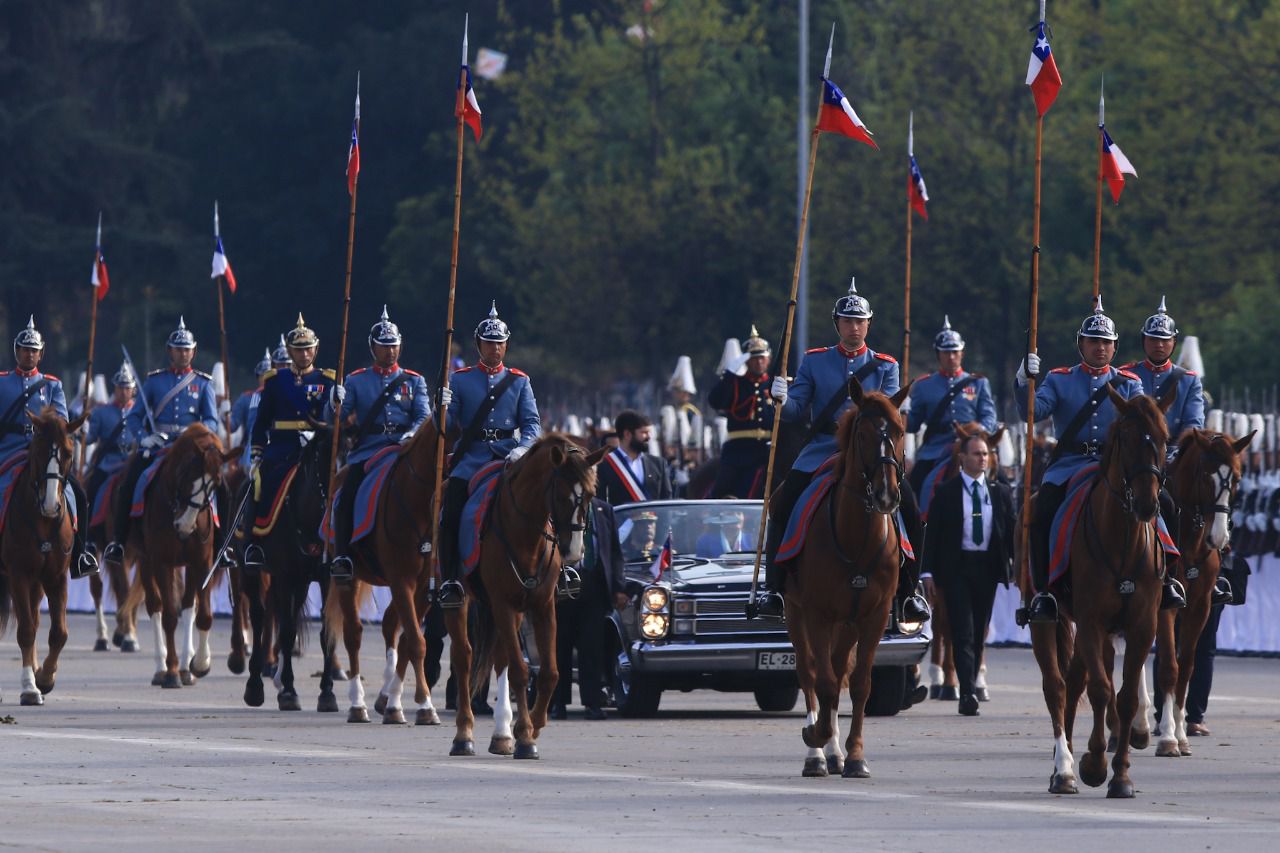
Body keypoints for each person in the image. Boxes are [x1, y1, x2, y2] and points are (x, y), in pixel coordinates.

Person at [759, 279, 929, 624]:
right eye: (848, 322)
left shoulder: (885, 366)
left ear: (869, 324)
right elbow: (796, 411)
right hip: (822, 449)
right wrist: (780, 397)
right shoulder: (814, 361)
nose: (854, 328)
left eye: (860, 322)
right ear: (837, 324)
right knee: (784, 501)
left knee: (909, 506)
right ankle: (774, 587)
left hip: (870, 453)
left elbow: (891, 412)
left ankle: (909, 592)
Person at [1015, 297, 1182, 624]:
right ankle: (1045, 592)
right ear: (1081, 344)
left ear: (1115, 348)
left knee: (1164, 503)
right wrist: (1024, 381)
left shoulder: (1130, 384)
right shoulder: (1060, 379)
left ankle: (1168, 579)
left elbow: (1143, 422)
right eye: (1093, 342)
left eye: (1106, 343)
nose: (1100, 348)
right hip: (1070, 466)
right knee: (1041, 509)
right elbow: (1030, 412)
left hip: (1114, 465)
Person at [1122, 297, 1228, 605]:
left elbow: (1192, 424)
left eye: (1164, 340)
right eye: (1153, 339)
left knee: (1211, 497)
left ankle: (1211, 566)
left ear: (1173, 343)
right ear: (1144, 341)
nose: (1158, 345)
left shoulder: (1188, 381)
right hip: (1136, 460)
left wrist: (1170, 455)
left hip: (1172, 458)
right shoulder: (1126, 374)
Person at [436, 301, 541, 608]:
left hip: (509, 456)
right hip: (471, 460)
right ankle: (451, 579)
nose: (495, 349)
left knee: (543, 501)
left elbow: (532, 423)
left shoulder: (520, 380)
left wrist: (523, 447)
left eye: (500, 343)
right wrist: (440, 407)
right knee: (450, 512)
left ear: (506, 345)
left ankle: (557, 570)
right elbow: (447, 426)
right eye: (489, 343)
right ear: (478, 344)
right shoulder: (461, 378)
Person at [328, 306, 431, 582]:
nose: (390, 351)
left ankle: (434, 552)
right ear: (373, 348)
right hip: (368, 451)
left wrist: (412, 435)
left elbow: (423, 416)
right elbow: (337, 418)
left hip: (403, 450)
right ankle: (342, 556)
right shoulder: (356, 380)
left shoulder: (414, 381)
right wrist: (334, 401)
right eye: (384, 346)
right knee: (344, 496)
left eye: (394, 346)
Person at [105, 317, 218, 566]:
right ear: (170, 351)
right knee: (129, 482)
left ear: (194, 351)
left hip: (192, 450)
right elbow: (135, 417)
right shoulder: (155, 381)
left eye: (187, 349)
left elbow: (212, 421)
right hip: (160, 447)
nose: (183, 354)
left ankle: (223, 546)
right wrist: (144, 439)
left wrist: (197, 435)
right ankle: (119, 541)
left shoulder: (203, 383)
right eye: (178, 350)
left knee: (220, 486)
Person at [920, 434, 1015, 716]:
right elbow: (933, 534)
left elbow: (1008, 531)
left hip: (986, 568)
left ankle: (971, 680)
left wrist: (1016, 566)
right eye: (976, 454)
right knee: (962, 630)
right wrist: (927, 571)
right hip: (957, 568)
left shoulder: (999, 492)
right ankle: (968, 693)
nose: (982, 459)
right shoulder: (947, 492)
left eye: (985, 454)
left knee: (978, 633)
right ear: (962, 457)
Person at [0, 317, 95, 577]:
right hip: (8, 451)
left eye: (33, 350)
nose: (29, 354)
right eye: (24, 349)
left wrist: (70, 427)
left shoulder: (52, 385)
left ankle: (80, 554)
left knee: (78, 494)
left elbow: (62, 419)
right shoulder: (1, 381)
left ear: (41, 354)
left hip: (44, 453)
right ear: (16, 351)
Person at [241, 315, 336, 569]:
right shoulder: (275, 381)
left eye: (308, 349)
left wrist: (336, 406)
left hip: (315, 447)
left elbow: (334, 420)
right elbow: (261, 423)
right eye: (299, 350)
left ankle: (341, 545)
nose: (304, 355)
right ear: (291, 351)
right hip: (283, 449)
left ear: (316, 350)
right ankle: (254, 543)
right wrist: (257, 455)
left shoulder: (327, 380)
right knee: (260, 484)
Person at [551, 496, 628, 720]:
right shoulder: (559, 505)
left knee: (592, 649)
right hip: (562, 586)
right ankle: (558, 703)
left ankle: (592, 703)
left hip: (593, 586)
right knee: (560, 649)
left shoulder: (604, 510)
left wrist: (619, 587)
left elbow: (614, 552)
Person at [906, 317, 997, 494]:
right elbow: (912, 424)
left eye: (955, 352)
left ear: (962, 353)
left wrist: (980, 429)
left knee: (1000, 482)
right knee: (914, 484)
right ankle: (919, 521)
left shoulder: (978, 383)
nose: (951, 356)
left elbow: (989, 416)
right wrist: (900, 412)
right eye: (946, 352)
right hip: (935, 449)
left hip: (972, 444)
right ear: (938, 354)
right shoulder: (923, 386)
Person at [707, 326, 774, 499]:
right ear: (746, 361)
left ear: (769, 359)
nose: (759, 362)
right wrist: (729, 375)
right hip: (739, 451)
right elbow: (715, 401)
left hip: (768, 450)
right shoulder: (735, 384)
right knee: (722, 488)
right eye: (754, 358)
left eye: (762, 358)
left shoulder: (776, 384)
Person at [84, 362, 138, 554]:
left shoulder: (140, 411)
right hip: (108, 462)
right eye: (120, 388)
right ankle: (88, 537)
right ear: (114, 388)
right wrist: (83, 431)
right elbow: (90, 439)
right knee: (91, 489)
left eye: (127, 388)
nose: (123, 392)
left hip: (132, 460)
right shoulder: (101, 412)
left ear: (133, 390)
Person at [596, 410, 672, 507]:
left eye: (649, 432)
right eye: (644, 432)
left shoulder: (658, 464)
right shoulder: (604, 465)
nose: (649, 437)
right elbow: (599, 504)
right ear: (627, 434)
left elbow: (667, 503)